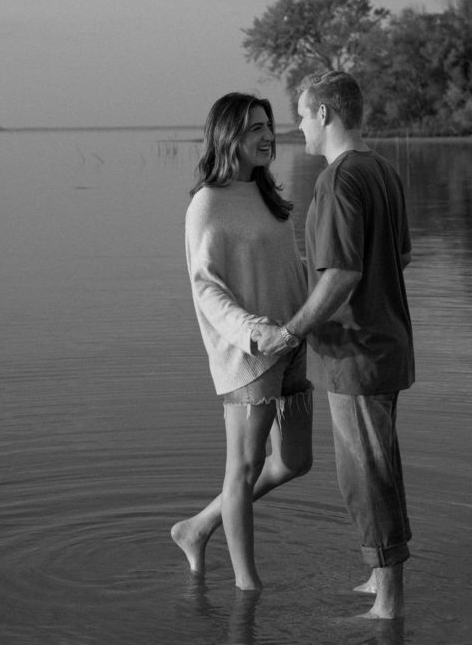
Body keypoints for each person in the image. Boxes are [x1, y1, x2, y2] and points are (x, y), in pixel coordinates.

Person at [251, 70, 414, 620]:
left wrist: (292, 330)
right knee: (379, 466)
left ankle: (387, 604)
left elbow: (342, 272)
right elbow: (400, 257)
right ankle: (378, 577)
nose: (297, 125)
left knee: (363, 475)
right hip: (386, 346)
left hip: (354, 354)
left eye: (300, 113)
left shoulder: (339, 180)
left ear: (324, 113)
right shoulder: (383, 172)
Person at [171, 92, 313, 592]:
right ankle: (246, 587)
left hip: (292, 344)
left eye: (268, 125)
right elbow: (205, 287)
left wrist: (318, 311)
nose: (268, 135)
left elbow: (289, 267)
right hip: (248, 356)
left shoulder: (267, 194)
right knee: (244, 468)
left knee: (295, 461)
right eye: (254, 128)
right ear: (227, 135)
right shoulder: (207, 204)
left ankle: (197, 527)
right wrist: (254, 332)